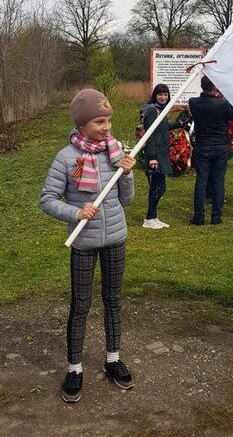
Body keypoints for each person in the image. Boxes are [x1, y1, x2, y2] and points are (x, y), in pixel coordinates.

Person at [40, 88, 136, 403]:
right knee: (80, 305)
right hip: (83, 241)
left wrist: (126, 174)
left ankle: (112, 360)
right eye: (99, 121)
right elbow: (47, 200)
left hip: (115, 239)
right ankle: (75, 368)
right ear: (82, 124)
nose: (106, 127)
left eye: (108, 120)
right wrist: (76, 212)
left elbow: (127, 200)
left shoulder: (116, 150)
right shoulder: (66, 158)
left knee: (113, 301)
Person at [189, 75, 233, 225]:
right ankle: (216, 216)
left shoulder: (193, 102)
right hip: (220, 146)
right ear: (214, 87)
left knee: (201, 180)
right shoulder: (221, 105)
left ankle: (199, 216)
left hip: (203, 145)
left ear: (202, 86)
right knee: (218, 181)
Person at [141, 83, 182, 229]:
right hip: (156, 153)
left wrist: (179, 124)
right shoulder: (153, 110)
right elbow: (150, 133)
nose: (163, 97)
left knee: (155, 187)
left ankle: (152, 216)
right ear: (155, 95)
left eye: (165, 94)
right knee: (160, 187)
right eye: (160, 94)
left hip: (161, 152)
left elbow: (163, 127)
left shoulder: (161, 110)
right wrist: (152, 156)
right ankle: (149, 218)